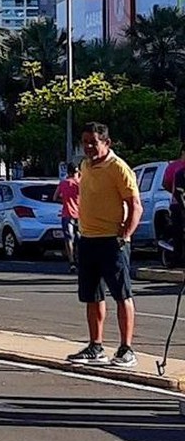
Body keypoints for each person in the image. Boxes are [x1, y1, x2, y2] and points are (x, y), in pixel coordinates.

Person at [67, 123, 142, 368]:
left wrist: (125, 235)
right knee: (92, 296)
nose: (88, 147)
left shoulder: (118, 168)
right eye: (85, 142)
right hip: (88, 239)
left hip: (112, 241)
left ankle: (126, 349)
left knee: (122, 294)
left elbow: (135, 206)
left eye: (93, 142)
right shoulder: (85, 166)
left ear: (106, 143)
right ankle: (95, 346)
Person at [56, 162, 80, 271]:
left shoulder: (63, 183)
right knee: (81, 238)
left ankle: (72, 262)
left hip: (67, 214)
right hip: (80, 215)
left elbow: (55, 197)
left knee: (69, 239)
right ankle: (80, 259)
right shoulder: (80, 184)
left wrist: (65, 201)